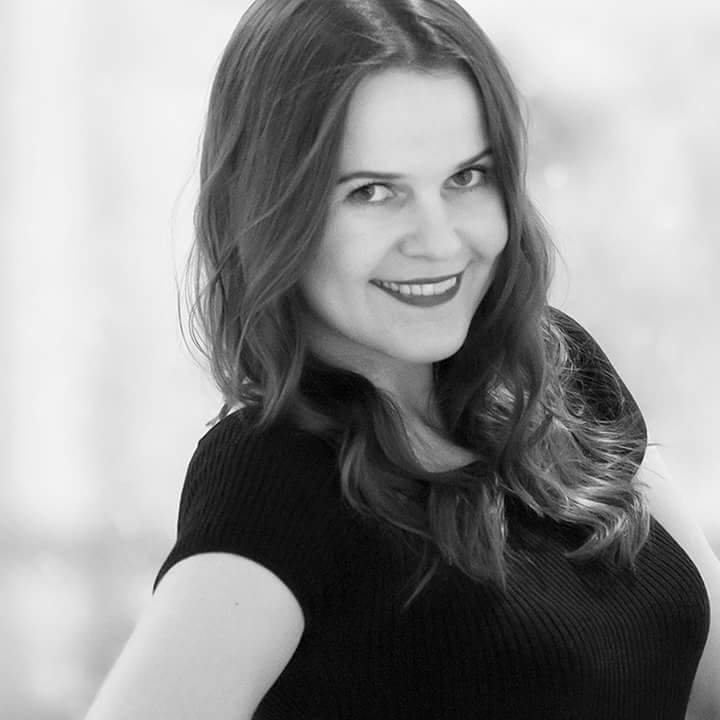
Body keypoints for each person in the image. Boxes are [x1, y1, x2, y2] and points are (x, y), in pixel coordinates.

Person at [84, 0, 720, 718]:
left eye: (467, 178)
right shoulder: (279, 473)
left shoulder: (556, 369)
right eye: (373, 192)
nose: (440, 241)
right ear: (271, 209)